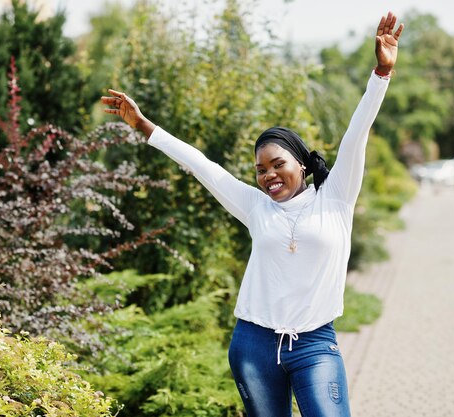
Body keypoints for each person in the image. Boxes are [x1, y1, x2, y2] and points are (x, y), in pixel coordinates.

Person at [102, 11, 403, 417]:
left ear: (300, 162)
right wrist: (143, 125)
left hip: (315, 345)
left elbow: (357, 132)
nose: (268, 176)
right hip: (253, 345)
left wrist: (380, 74)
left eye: (278, 164)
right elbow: (200, 164)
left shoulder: (336, 196)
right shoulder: (255, 207)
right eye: (260, 170)